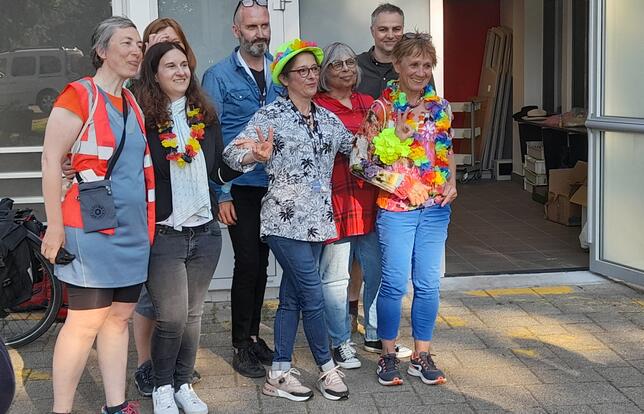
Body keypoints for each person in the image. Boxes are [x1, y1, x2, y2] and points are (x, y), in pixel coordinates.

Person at [223, 38, 351, 402]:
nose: (311, 75)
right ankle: (327, 368)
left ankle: (279, 372)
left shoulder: (327, 118)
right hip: (283, 221)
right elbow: (233, 154)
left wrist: (385, 137)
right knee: (312, 294)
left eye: (315, 69)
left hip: (318, 223)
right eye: (303, 71)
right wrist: (255, 156)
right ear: (286, 78)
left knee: (294, 298)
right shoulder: (270, 117)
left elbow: (353, 149)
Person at [41, 16, 154, 414]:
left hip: (132, 230)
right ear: (102, 52)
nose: (136, 50)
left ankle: (116, 404)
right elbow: (52, 160)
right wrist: (54, 226)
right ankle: (62, 410)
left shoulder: (132, 102)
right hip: (89, 228)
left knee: (119, 319)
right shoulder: (79, 95)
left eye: (138, 44)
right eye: (126, 43)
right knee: (85, 322)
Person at [132, 41, 241, 414]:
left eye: (184, 65)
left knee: (194, 315)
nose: (180, 72)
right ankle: (161, 386)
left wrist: (249, 162)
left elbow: (217, 173)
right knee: (171, 317)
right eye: (170, 66)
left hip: (205, 231)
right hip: (165, 233)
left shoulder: (206, 117)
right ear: (154, 74)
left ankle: (182, 384)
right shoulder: (142, 121)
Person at [350, 32, 457, 387]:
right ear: (397, 65)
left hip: (435, 208)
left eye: (427, 65)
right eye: (414, 64)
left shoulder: (440, 107)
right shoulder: (382, 109)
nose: (421, 71)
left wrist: (453, 182)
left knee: (428, 285)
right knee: (394, 284)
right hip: (397, 210)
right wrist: (400, 183)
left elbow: (447, 152)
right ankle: (388, 355)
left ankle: (422, 355)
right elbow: (358, 163)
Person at [313, 42, 410, 369]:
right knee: (336, 278)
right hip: (336, 200)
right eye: (337, 64)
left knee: (377, 272)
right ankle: (339, 340)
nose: (346, 68)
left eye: (351, 63)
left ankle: (374, 332)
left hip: (370, 200)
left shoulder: (369, 104)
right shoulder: (317, 106)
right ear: (325, 73)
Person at [201, 0, 279, 378]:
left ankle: (252, 335)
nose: (259, 33)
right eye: (252, 27)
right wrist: (222, 194)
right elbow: (210, 139)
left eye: (264, 25)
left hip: (275, 187)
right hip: (239, 187)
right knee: (247, 263)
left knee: (262, 264)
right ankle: (239, 344)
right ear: (237, 31)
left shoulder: (281, 72)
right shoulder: (217, 76)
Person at [130, 17, 202, 398]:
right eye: (158, 48)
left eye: (176, 49)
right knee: (155, 305)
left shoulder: (195, 103)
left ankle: (178, 374)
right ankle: (150, 370)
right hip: (159, 223)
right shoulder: (135, 102)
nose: (175, 63)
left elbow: (214, 159)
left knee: (186, 312)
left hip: (196, 222)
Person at [355, 3, 405, 100]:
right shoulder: (354, 66)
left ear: (403, 29)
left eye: (396, 29)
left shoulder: (415, 67)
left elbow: (431, 105)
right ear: (372, 31)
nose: (390, 35)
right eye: (383, 29)